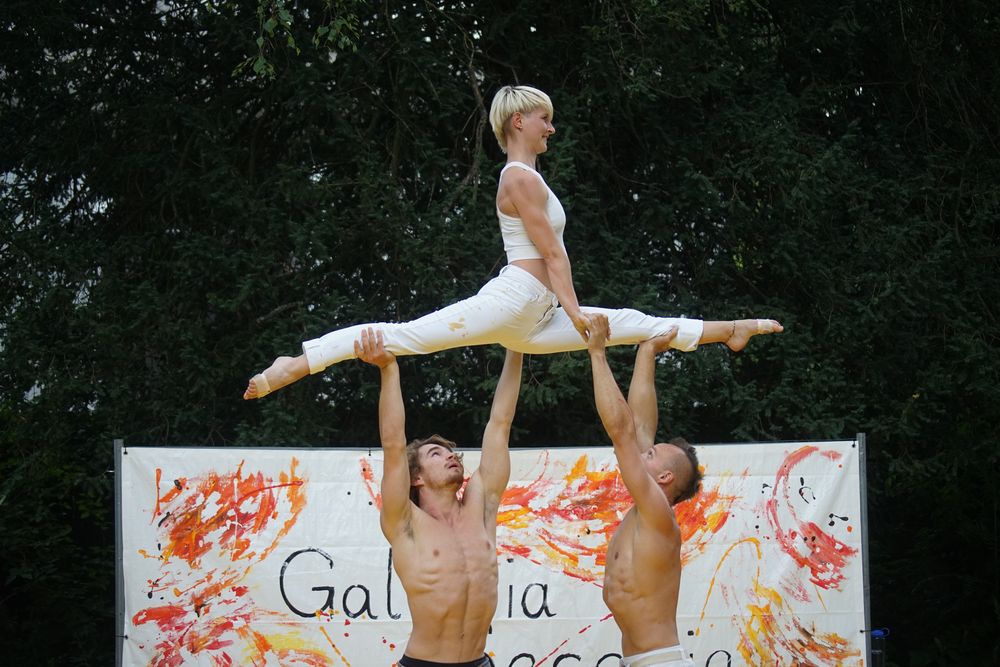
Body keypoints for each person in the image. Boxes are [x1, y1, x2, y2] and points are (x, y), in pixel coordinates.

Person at [244, 84, 781, 399]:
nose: (552, 128)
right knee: (407, 337)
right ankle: (297, 362)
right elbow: (552, 255)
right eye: (545, 119)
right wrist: (574, 313)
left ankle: (732, 330)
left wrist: (567, 311)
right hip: (520, 299)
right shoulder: (517, 178)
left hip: (532, 316)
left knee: (632, 323)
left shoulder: (527, 177)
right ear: (520, 120)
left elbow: (554, 256)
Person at [354, 327, 521, 666]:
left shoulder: (481, 506)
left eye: (452, 454)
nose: (450, 457)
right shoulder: (403, 522)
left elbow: (500, 422)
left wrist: (517, 346)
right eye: (435, 454)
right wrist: (388, 369)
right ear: (415, 477)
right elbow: (393, 442)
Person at [587, 313, 699, 667]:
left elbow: (621, 430)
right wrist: (646, 353)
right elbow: (640, 425)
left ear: (665, 478)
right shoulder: (645, 509)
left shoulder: (657, 514)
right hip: (637, 661)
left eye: (650, 455)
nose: (641, 450)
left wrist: (597, 353)